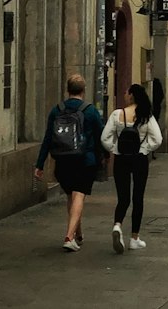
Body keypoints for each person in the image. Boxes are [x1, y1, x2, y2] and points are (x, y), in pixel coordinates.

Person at [34, 74, 104, 252]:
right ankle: (69, 236)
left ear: (67, 89)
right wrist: (103, 157)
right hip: (84, 160)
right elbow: (100, 137)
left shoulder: (57, 110)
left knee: (71, 196)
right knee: (79, 195)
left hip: (63, 160)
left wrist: (40, 164)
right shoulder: (90, 111)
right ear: (83, 90)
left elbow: (48, 138)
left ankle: (78, 235)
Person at [101, 82, 163, 254]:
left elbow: (105, 138)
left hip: (121, 159)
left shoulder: (117, 114)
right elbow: (157, 139)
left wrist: (116, 149)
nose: (124, 95)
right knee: (138, 197)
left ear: (131, 95)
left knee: (123, 197)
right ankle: (134, 238)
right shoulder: (146, 116)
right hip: (139, 160)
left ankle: (117, 225)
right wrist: (144, 149)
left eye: (126, 92)